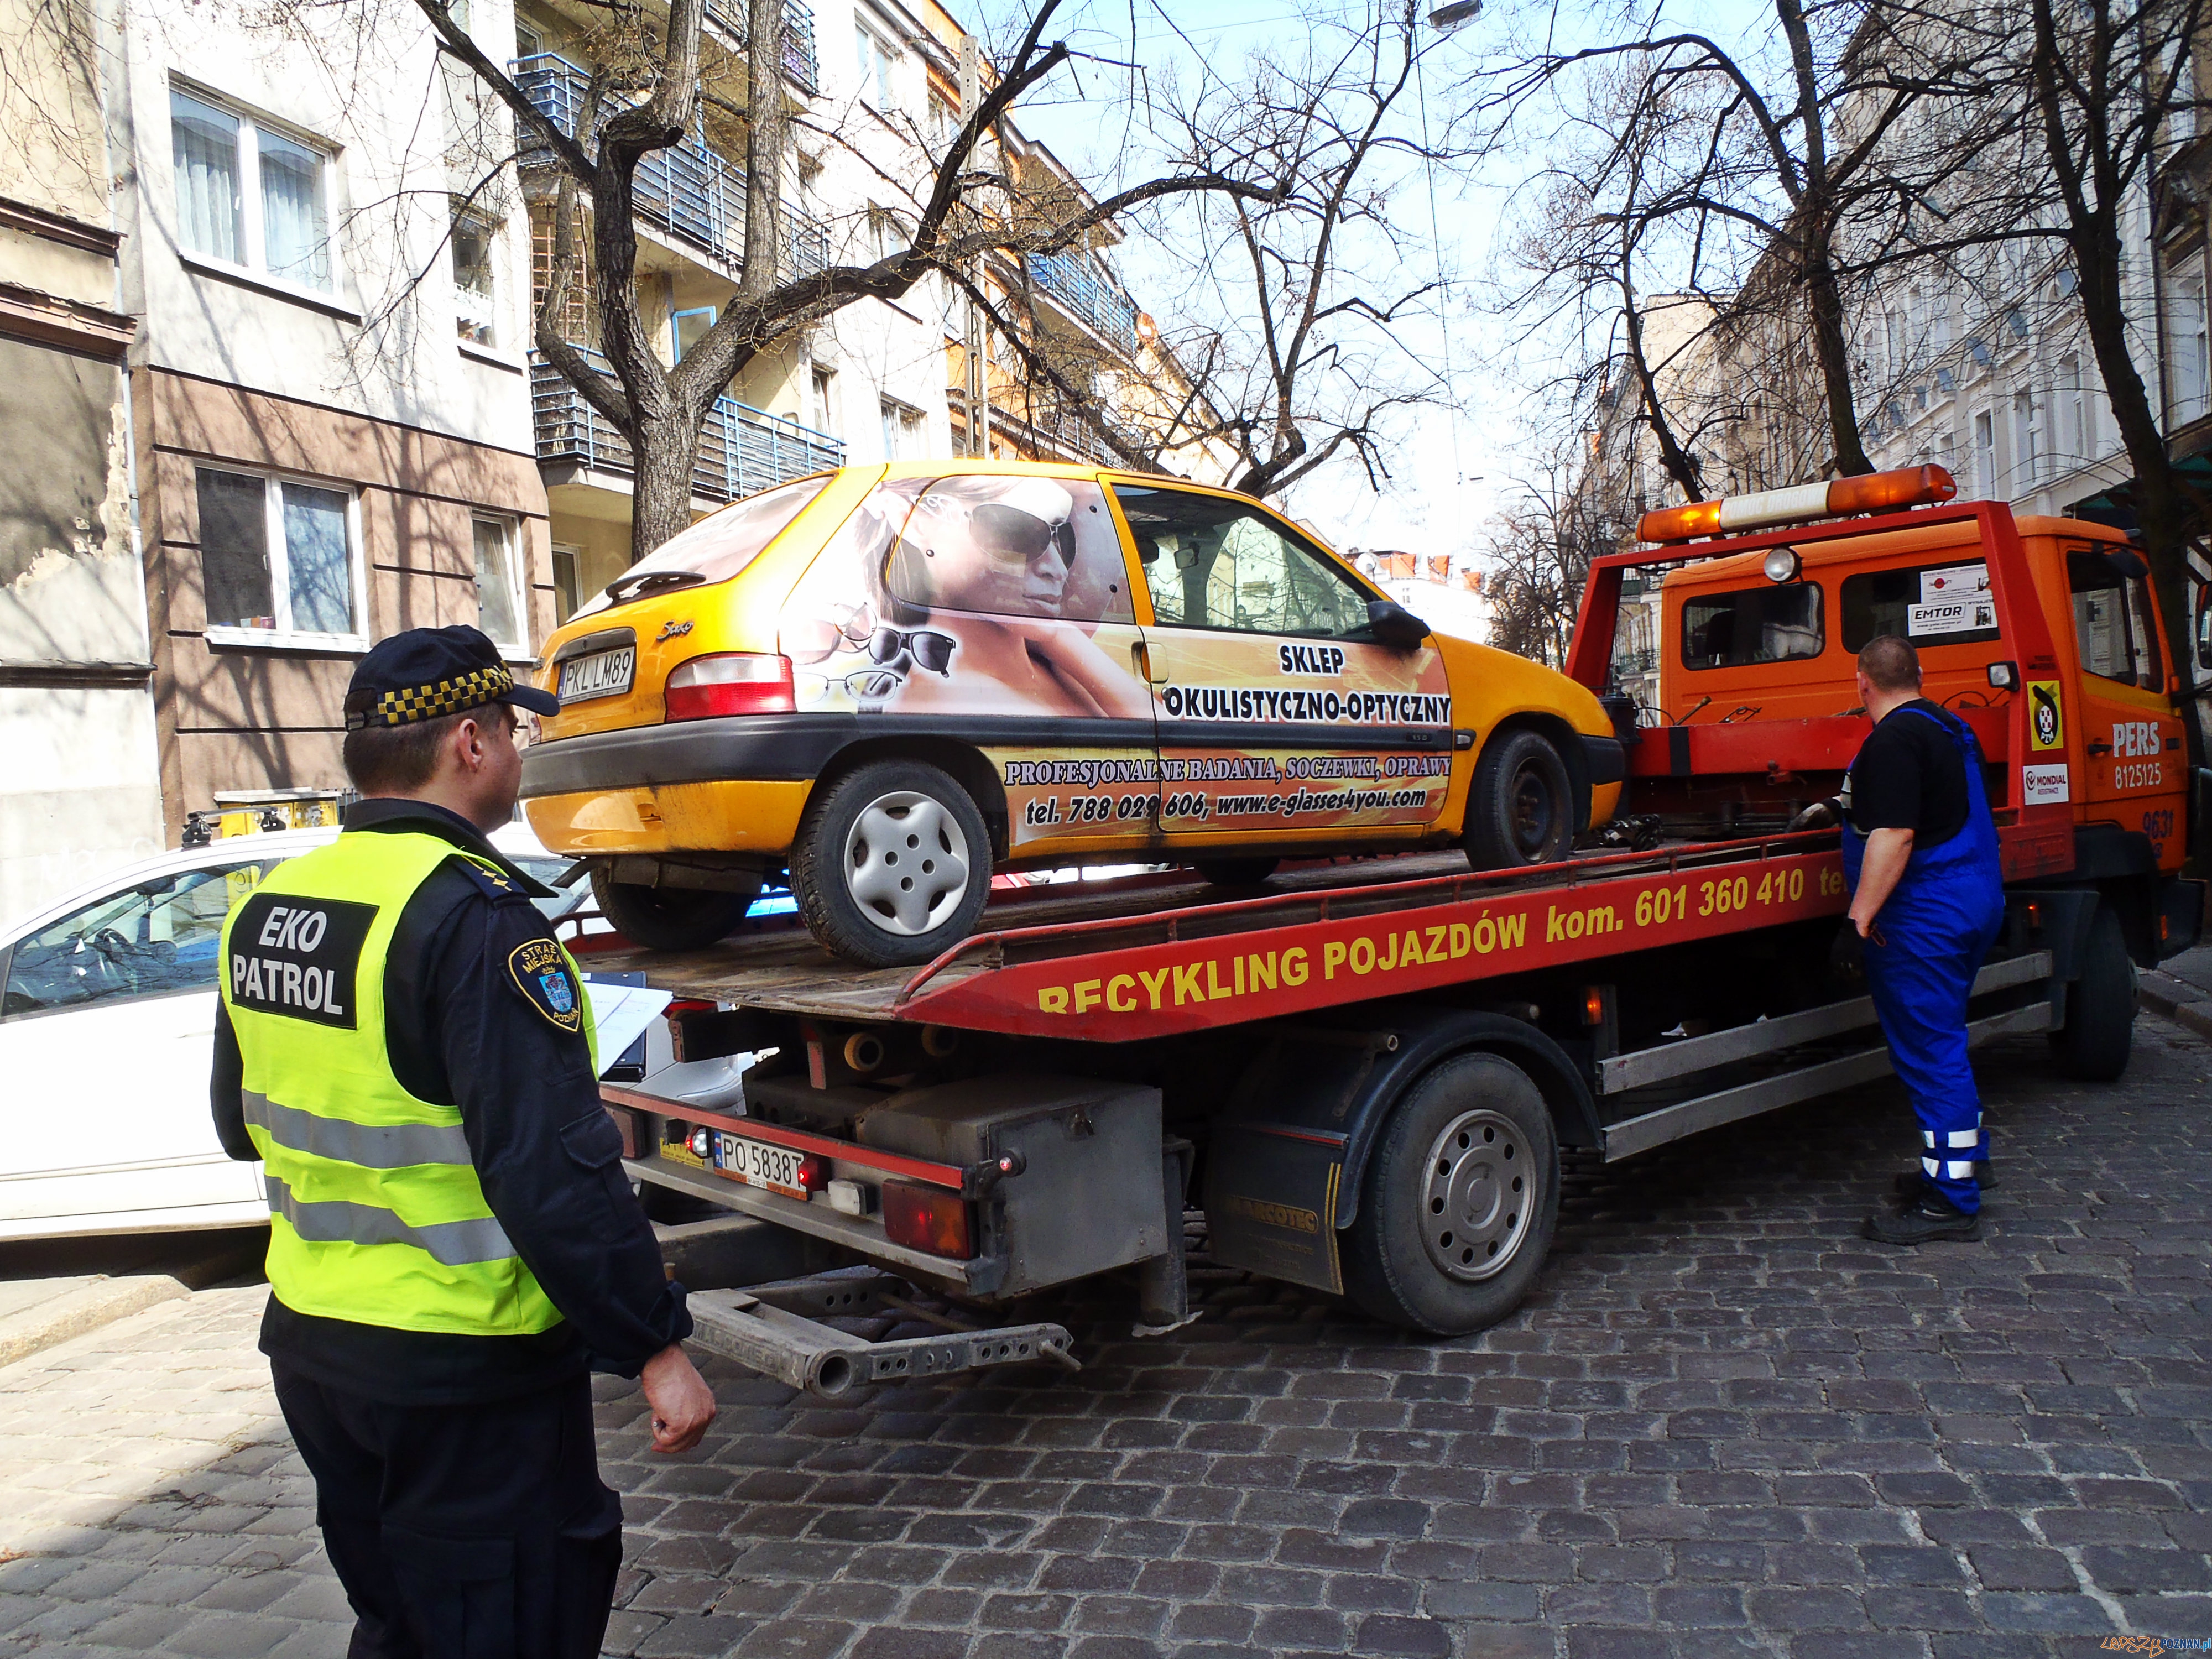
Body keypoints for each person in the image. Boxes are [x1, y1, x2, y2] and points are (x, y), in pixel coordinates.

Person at [210, 625, 717, 1658]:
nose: (521, 760)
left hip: (316, 1349)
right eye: (515, 737)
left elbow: (237, 1125)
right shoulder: (477, 923)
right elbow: (551, 1177)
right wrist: (654, 1345)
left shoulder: (268, 909)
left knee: (397, 1625)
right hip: (462, 1376)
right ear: (473, 744)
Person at [1793, 635, 2005, 1244]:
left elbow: (1896, 835)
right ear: (1919, 674)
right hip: (1971, 901)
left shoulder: (1888, 741)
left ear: (1861, 683)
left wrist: (1856, 922)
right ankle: (1965, 1163)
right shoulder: (1947, 727)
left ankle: (1950, 1201)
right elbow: (1930, 800)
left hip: (1923, 917)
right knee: (1944, 1041)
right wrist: (1842, 806)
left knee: (1929, 1051)